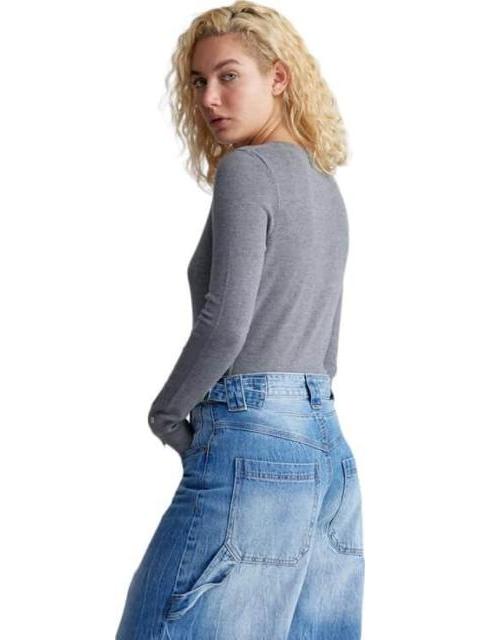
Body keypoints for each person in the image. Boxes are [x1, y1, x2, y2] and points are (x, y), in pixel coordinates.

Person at [115, 2, 365, 638]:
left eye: (229, 76)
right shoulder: (324, 185)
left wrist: (167, 413)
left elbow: (226, 321)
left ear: (278, 77)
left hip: (253, 442)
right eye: (199, 81)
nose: (209, 98)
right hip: (329, 454)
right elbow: (327, 350)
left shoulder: (247, 171)